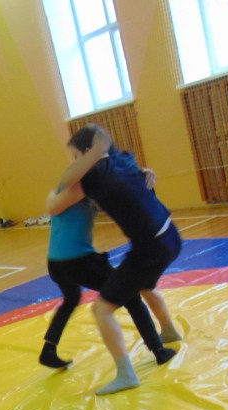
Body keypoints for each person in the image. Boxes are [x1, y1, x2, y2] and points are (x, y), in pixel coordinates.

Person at [47, 125, 180, 395]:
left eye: (76, 157)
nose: (74, 164)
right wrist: (142, 172)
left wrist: (95, 151)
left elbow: (60, 192)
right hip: (171, 237)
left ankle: (126, 374)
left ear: (87, 154)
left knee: (102, 309)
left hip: (149, 248)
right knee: (145, 286)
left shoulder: (93, 175)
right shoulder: (124, 159)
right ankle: (168, 332)